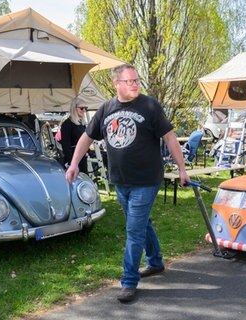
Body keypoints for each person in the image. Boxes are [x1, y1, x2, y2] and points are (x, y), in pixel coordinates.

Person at [65, 64, 189, 303]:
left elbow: (170, 137)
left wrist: (182, 169)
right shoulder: (106, 109)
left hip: (146, 181)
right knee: (142, 224)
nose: (135, 84)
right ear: (116, 84)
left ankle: (129, 281)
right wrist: (73, 164)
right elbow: (86, 137)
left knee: (134, 230)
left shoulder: (150, 106)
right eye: (129, 81)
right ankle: (155, 262)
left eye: (136, 80)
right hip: (121, 182)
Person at [60, 98, 89, 173]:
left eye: (85, 108)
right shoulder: (67, 124)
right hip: (73, 158)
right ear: (74, 108)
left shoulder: (81, 124)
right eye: (81, 108)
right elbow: (65, 145)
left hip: (82, 158)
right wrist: (71, 162)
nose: (84, 110)